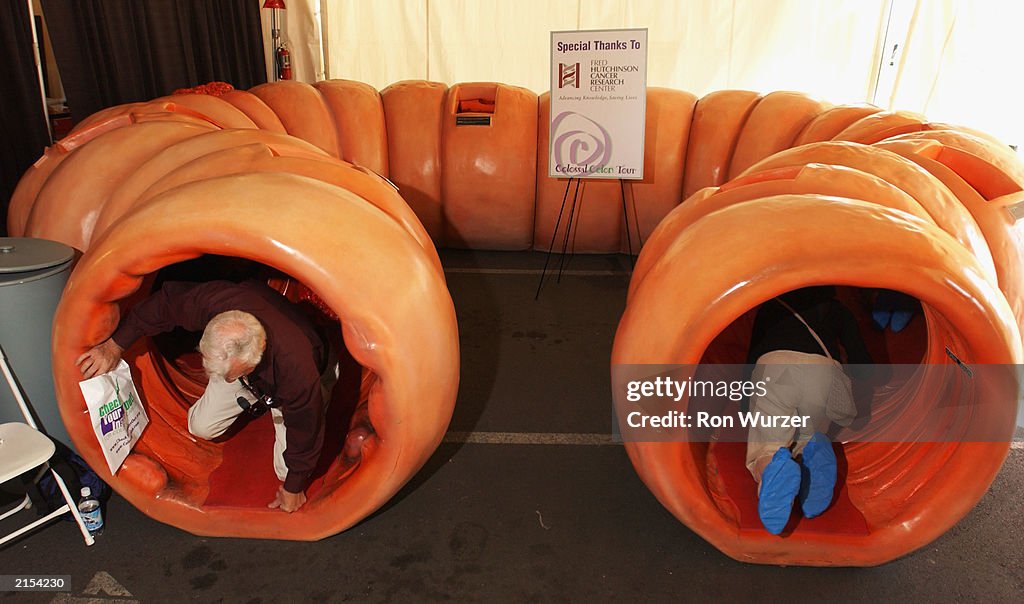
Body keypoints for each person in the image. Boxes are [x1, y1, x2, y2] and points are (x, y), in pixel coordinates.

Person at [77, 280, 337, 513]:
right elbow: (163, 304)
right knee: (200, 425)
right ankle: (249, 389)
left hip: (305, 374)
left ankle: (275, 403)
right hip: (244, 370)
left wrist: (294, 487)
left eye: (229, 373)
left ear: (253, 360)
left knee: (286, 470)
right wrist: (114, 346)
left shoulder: (297, 367)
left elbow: (306, 426)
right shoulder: (217, 303)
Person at [744, 286, 872, 534]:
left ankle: (772, 467)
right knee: (806, 433)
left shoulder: (770, 306)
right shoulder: (837, 309)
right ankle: (810, 460)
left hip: (775, 368)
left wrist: (745, 407)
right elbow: (863, 364)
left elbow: (750, 360)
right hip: (823, 374)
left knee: (768, 446)